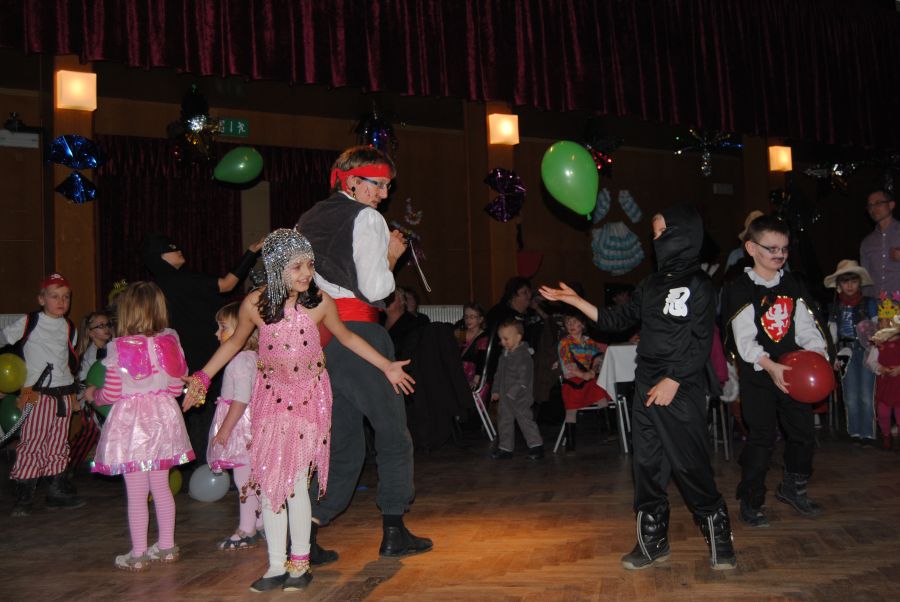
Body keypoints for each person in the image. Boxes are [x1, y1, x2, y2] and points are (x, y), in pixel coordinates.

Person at [182, 228, 414, 592]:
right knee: (269, 483)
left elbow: (348, 337)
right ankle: (276, 565)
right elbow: (234, 343)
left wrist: (386, 366)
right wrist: (203, 376)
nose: (307, 273)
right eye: (297, 267)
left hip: (308, 400)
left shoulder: (319, 303)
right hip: (270, 400)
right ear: (276, 268)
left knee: (293, 484)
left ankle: (300, 564)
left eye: (309, 265)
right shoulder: (254, 305)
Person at [540, 204, 737, 571]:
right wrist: (576, 302)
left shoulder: (699, 284)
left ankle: (719, 533)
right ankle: (653, 542)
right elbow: (615, 320)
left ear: (683, 235)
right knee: (647, 465)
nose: (655, 239)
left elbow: (701, 341)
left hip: (681, 386)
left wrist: (674, 379)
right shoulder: (650, 285)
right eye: (654, 234)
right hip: (646, 383)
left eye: (661, 232)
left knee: (689, 464)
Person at [297, 145, 433, 563]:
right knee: (392, 434)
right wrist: (391, 257)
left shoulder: (309, 217)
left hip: (318, 341)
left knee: (342, 443)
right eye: (379, 185)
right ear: (353, 181)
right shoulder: (368, 218)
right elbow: (375, 289)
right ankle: (394, 530)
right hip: (360, 335)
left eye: (388, 186)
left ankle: (306, 535)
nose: (384, 195)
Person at [721, 214, 828, 529]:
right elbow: (743, 340)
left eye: (784, 248)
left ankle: (793, 488)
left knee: (804, 433)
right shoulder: (739, 288)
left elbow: (806, 328)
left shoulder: (793, 284)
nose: (779, 254)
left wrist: (816, 354)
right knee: (762, 437)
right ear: (751, 248)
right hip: (759, 373)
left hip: (794, 372)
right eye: (772, 248)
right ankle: (752, 499)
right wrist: (769, 366)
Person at [84, 282, 193, 571]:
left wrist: (93, 395)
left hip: (132, 425)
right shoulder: (170, 341)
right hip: (163, 420)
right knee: (161, 487)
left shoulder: (118, 348)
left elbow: (111, 393)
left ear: (126, 312)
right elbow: (176, 388)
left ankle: (139, 553)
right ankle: (167, 547)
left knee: (136, 492)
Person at [141, 233, 262, 463]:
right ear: (160, 256)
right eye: (172, 248)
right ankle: (215, 461)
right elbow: (227, 284)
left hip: (178, 357)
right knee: (212, 408)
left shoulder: (153, 289)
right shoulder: (181, 280)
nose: (179, 250)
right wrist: (251, 252)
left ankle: (198, 464)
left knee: (192, 411)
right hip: (207, 352)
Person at [2, 273, 84, 516]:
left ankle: (57, 491)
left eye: (66, 297)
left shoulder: (69, 327)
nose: (61, 301)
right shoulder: (30, 321)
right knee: (32, 442)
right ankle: (24, 495)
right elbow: (3, 338)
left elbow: (66, 360)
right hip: (38, 396)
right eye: (54, 296)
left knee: (58, 443)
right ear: (41, 299)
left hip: (64, 394)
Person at [205, 301, 264, 551]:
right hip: (251, 423)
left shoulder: (239, 361)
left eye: (223, 327)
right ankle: (260, 522)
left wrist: (225, 429)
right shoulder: (253, 358)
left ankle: (246, 528)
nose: (217, 333)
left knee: (243, 479)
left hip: (241, 426)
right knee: (252, 477)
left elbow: (241, 399)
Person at [824, 260, 878, 445]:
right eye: (845, 281)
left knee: (866, 394)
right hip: (844, 352)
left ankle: (868, 433)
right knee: (850, 395)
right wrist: (832, 356)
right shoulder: (835, 306)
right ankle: (854, 432)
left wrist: (875, 348)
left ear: (859, 283)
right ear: (839, 285)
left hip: (866, 351)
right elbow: (831, 333)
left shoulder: (869, 303)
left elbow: (877, 327)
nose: (849, 285)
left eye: (853, 281)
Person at [490, 319, 543, 460]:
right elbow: (498, 374)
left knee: (525, 420)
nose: (502, 342)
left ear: (518, 338)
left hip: (520, 396)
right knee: (504, 421)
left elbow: (524, 379)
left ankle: (536, 446)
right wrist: (495, 390)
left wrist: (512, 393)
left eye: (506, 339)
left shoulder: (524, 356)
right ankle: (505, 448)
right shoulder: (504, 355)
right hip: (504, 396)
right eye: (501, 339)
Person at [557, 312, 610, 452]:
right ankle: (570, 443)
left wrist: (592, 371)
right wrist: (582, 374)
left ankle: (607, 431)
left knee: (601, 392)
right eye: (568, 323)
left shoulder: (590, 342)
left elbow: (597, 358)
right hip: (572, 378)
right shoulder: (564, 342)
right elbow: (567, 363)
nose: (571, 325)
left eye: (574, 322)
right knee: (571, 408)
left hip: (589, 377)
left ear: (582, 325)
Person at [69, 310, 113, 471]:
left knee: (98, 433)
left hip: (106, 397)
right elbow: (85, 381)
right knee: (89, 433)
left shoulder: (111, 349)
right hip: (90, 401)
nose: (106, 328)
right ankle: (66, 466)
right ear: (90, 332)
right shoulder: (90, 356)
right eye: (100, 326)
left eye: (107, 324)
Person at [867, 298, 900, 450]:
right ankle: (886, 435)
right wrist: (881, 368)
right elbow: (871, 362)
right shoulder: (878, 344)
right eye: (880, 320)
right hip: (885, 385)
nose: (880, 323)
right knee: (883, 412)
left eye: (884, 320)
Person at [860, 189, 900, 297]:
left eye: (878, 203)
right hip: (877, 304)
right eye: (870, 206)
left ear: (891, 205)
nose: (873, 209)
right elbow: (865, 280)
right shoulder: (867, 243)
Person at [459, 302, 489, 395]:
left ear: (480, 319)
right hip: (460, 374)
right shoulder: (462, 333)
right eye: (466, 317)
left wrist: (476, 381)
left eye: (472, 317)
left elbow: (481, 360)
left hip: (473, 376)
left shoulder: (483, 336)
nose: (468, 320)